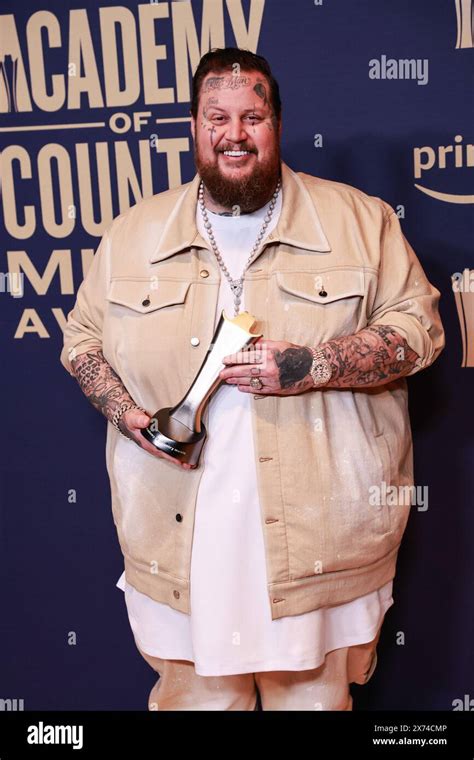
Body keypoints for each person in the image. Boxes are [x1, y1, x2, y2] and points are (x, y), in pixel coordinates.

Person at [60, 47, 445, 711]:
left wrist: (313, 365)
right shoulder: (131, 234)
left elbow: (420, 333)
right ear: (193, 125)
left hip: (319, 548)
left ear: (278, 124)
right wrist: (129, 415)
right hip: (180, 545)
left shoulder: (362, 221)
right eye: (217, 117)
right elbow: (82, 341)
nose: (234, 134)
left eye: (252, 117)